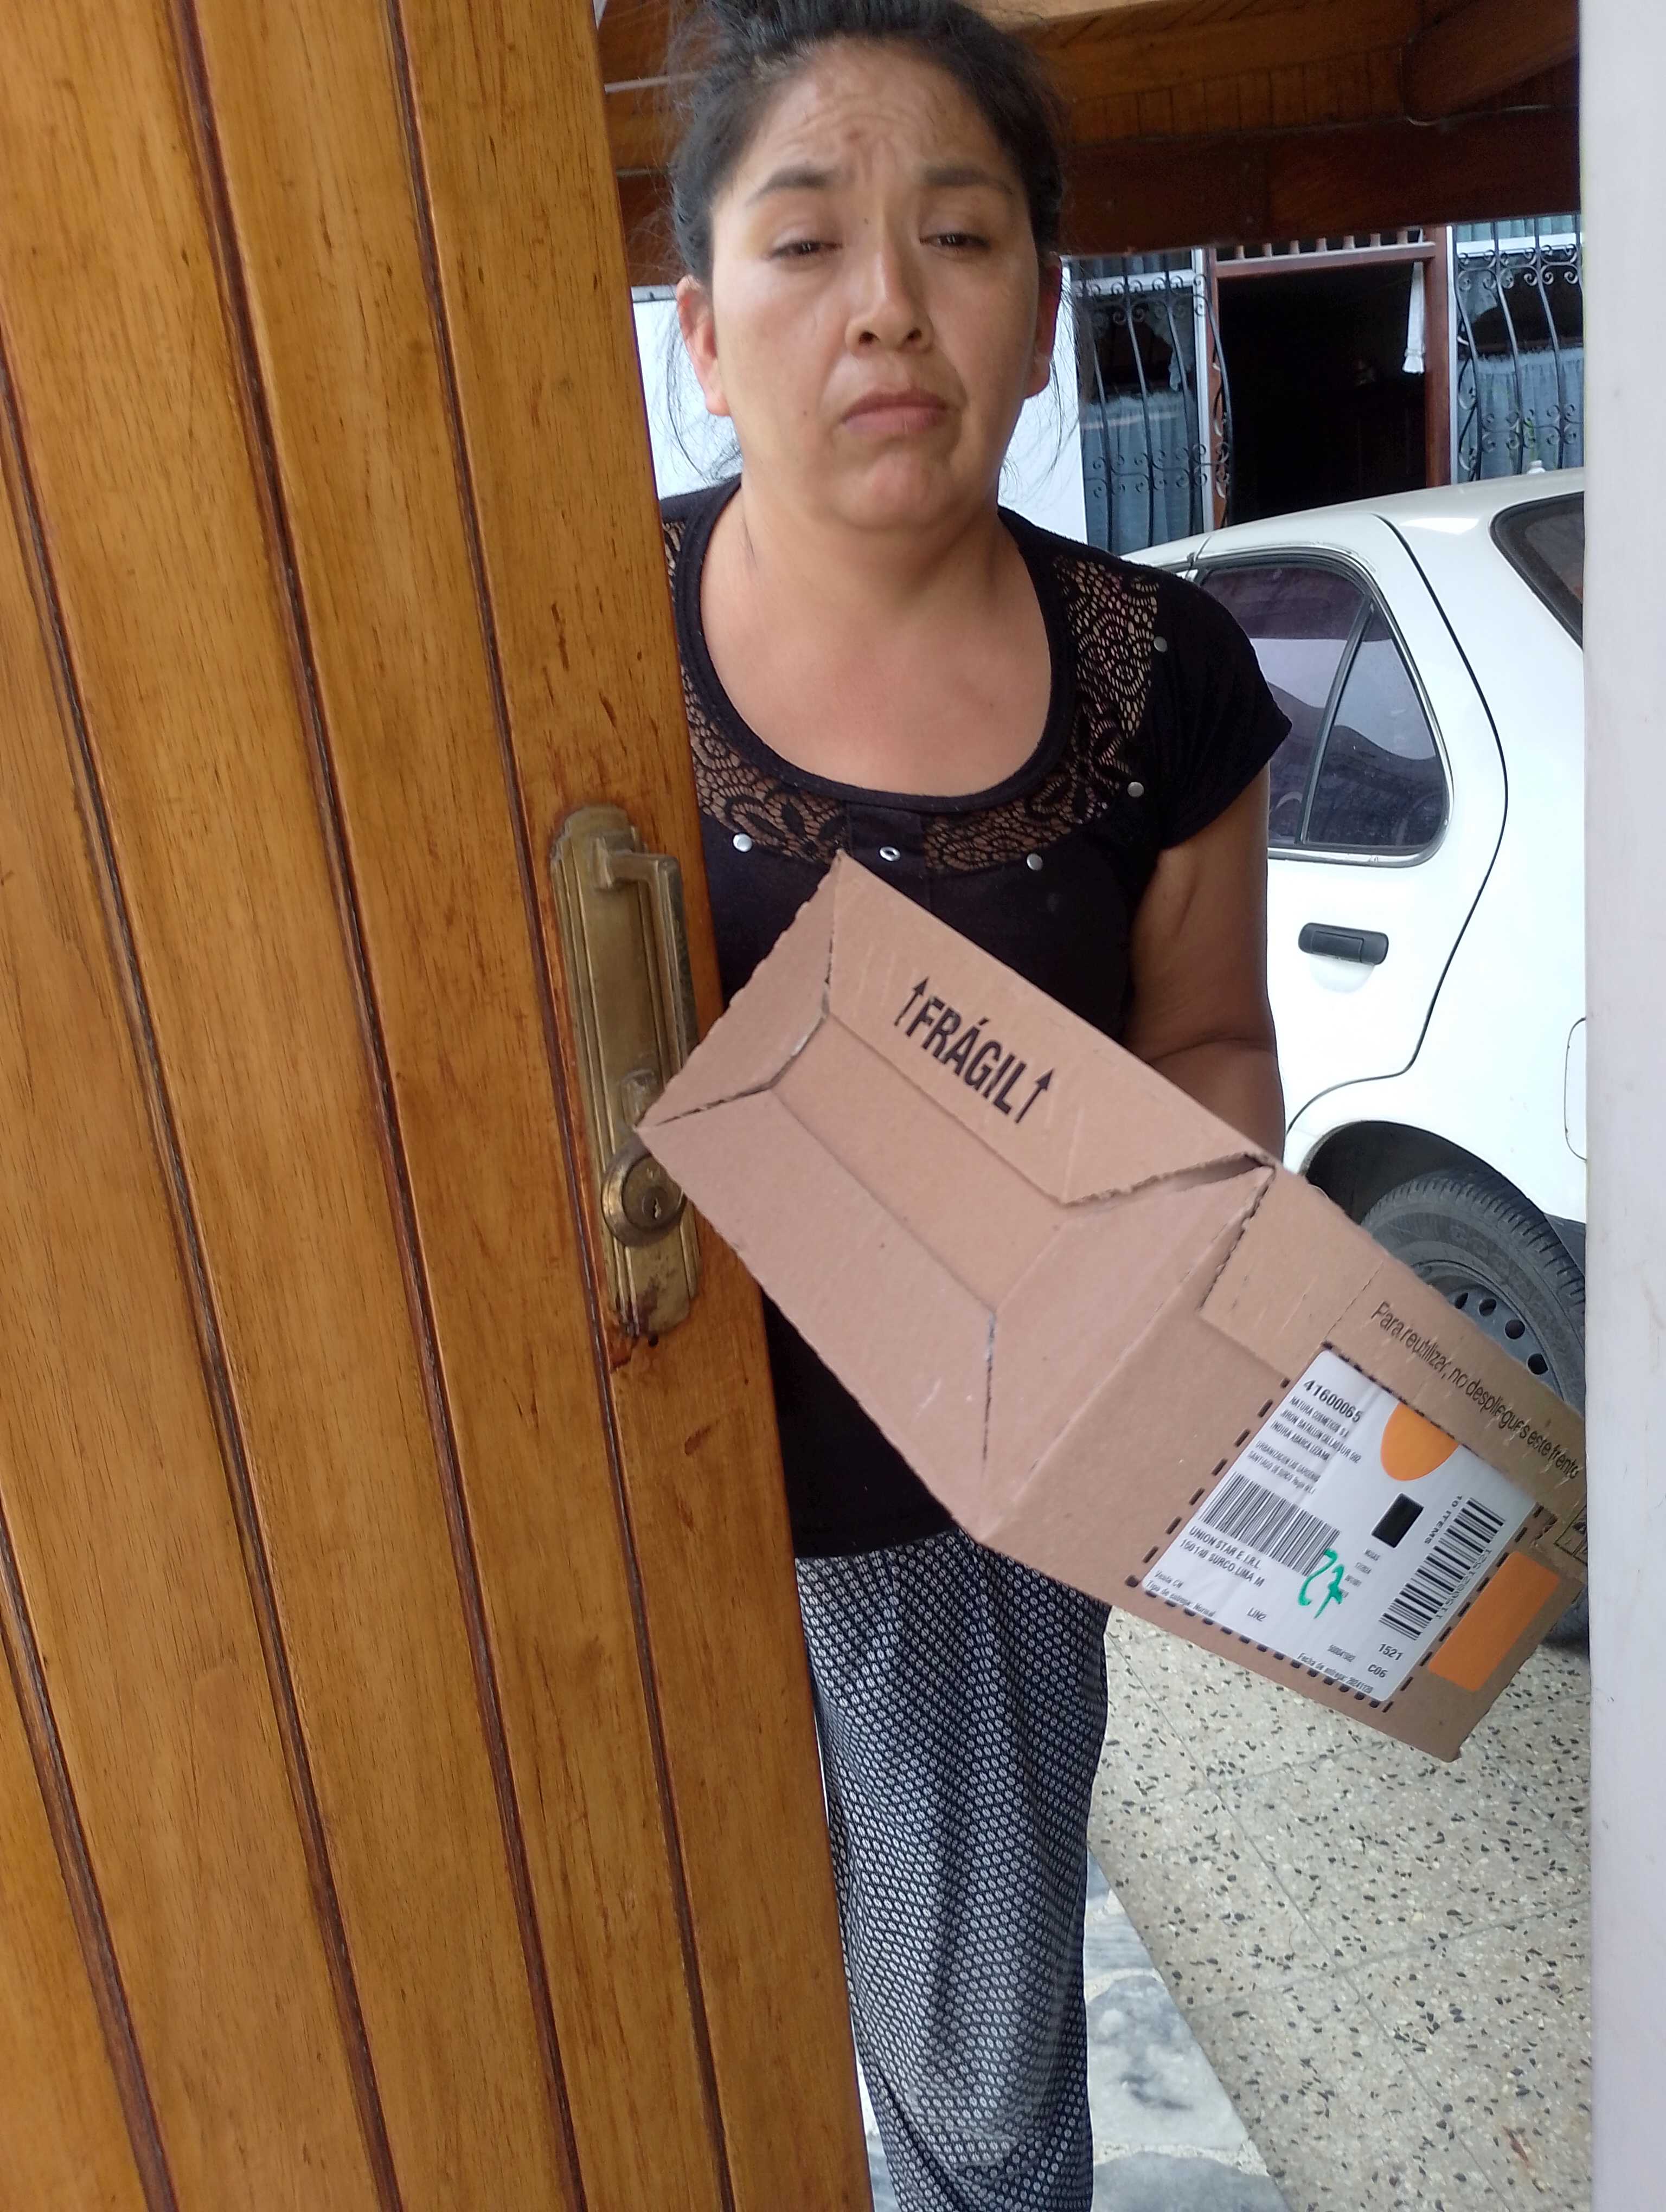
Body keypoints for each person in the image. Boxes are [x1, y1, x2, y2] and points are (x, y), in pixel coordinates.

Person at [659, 4, 1289, 2204]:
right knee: (657, 2043)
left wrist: (1182, 1272)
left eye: (957, 234)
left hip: (974, 1539)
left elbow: (1213, 1044)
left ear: (1042, 312)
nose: (886, 308)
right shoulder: (562, 634)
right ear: (701, 332)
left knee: (981, 2090)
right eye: (803, 242)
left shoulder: (1163, 672)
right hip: (626, 1521)